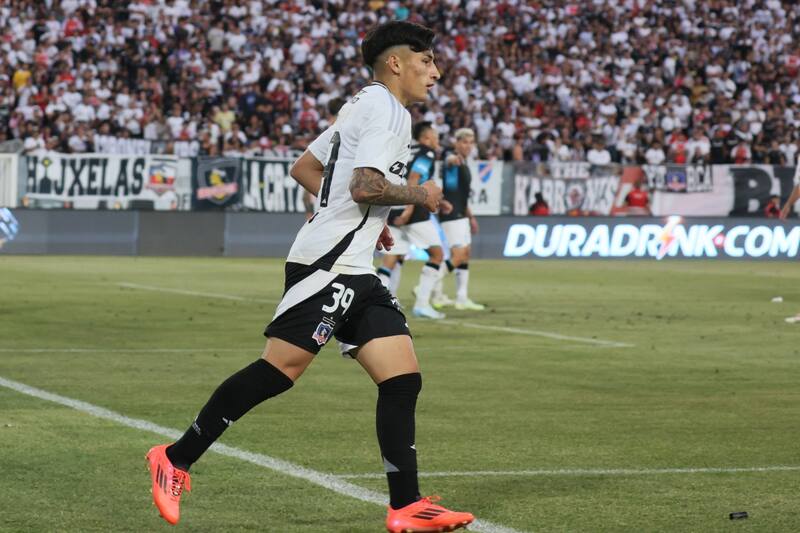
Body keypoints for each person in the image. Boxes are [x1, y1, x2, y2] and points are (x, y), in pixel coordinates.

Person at [146, 21, 474, 533]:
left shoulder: (361, 104)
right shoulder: (389, 111)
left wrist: (362, 222)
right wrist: (421, 195)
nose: (436, 71)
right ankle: (175, 458)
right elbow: (366, 185)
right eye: (427, 59)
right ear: (395, 62)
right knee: (280, 370)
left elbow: (305, 168)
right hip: (330, 264)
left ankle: (406, 505)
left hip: (354, 265)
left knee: (403, 377)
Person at [390, 121, 450, 319]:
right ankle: (422, 304)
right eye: (435, 135)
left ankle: (385, 303)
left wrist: (442, 201)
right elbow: (414, 179)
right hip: (414, 212)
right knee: (437, 254)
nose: (437, 139)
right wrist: (409, 210)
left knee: (394, 258)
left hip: (394, 207)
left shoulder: (408, 150)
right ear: (426, 138)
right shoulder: (427, 153)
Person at [434, 128, 485, 311]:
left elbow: (462, 195)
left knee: (466, 254)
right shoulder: (452, 158)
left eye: (471, 142)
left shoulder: (464, 163)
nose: (468, 146)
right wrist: (452, 159)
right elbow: (448, 160)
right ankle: (429, 284)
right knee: (458, 256)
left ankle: (461, 298)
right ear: (457, 143)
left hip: (461, 214)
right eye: (464, 142)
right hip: (451, 214)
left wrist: (471, 217)